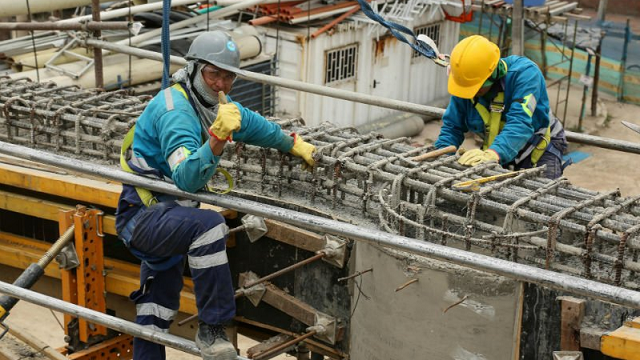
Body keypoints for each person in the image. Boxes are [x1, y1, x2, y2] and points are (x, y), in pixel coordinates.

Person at [115, 31, 316, 360]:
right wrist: (217, 139)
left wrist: (292, 143)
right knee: (210, 226)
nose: (220, 84)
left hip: (173, 217)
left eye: (228, 76)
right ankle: (212, 330)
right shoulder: (175, 111)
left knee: (156, 311)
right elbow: (187, 179)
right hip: (143, 217)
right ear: (193, 70)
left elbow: (254, 125)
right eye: (213, 74)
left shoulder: (209, 104)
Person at [434, 35, 567, 179]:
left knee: (543, 197)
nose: (470, 94)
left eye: (475, 89)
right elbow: (453, 126)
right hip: (498, 147)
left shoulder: (525, 75)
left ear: (492, 75)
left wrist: (494, 154)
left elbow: (520, 123)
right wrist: (442, 155)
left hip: (538, 146)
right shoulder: (466, 83)